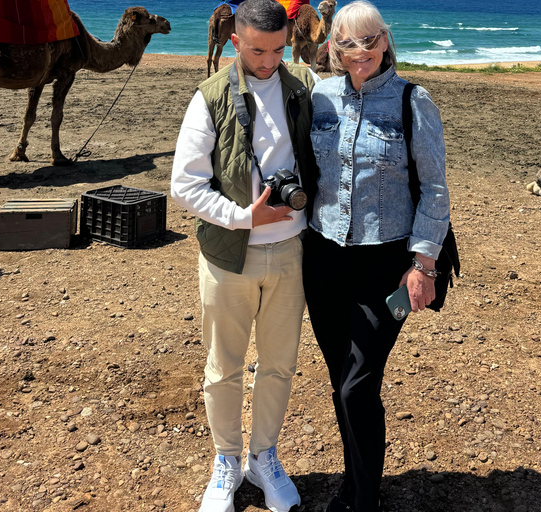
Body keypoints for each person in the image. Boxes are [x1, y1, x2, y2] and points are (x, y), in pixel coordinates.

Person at [170, 0, 319, 510]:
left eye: (278, 49)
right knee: (224, 366)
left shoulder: (301, 86)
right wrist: (243, 217)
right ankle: (226, 460)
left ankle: (265, 456)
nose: (269, 60)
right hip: (228, 254)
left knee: (279, 365)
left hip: (291, 253)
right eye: (257, 50)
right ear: (235, 42)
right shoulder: (209, 97)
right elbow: (184, 186)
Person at [302, 2, 450, 511]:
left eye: (368, 41)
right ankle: (353, 480)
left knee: (357, 385)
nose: (358, 52)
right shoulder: (318, 97)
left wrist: (424, 264)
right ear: (333, 48)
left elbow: (434, 189)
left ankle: (363, 498)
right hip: (322, 260)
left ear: (385, 41)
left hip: (385, 265)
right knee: (340, 376)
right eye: (347, 43)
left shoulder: (414, 101)